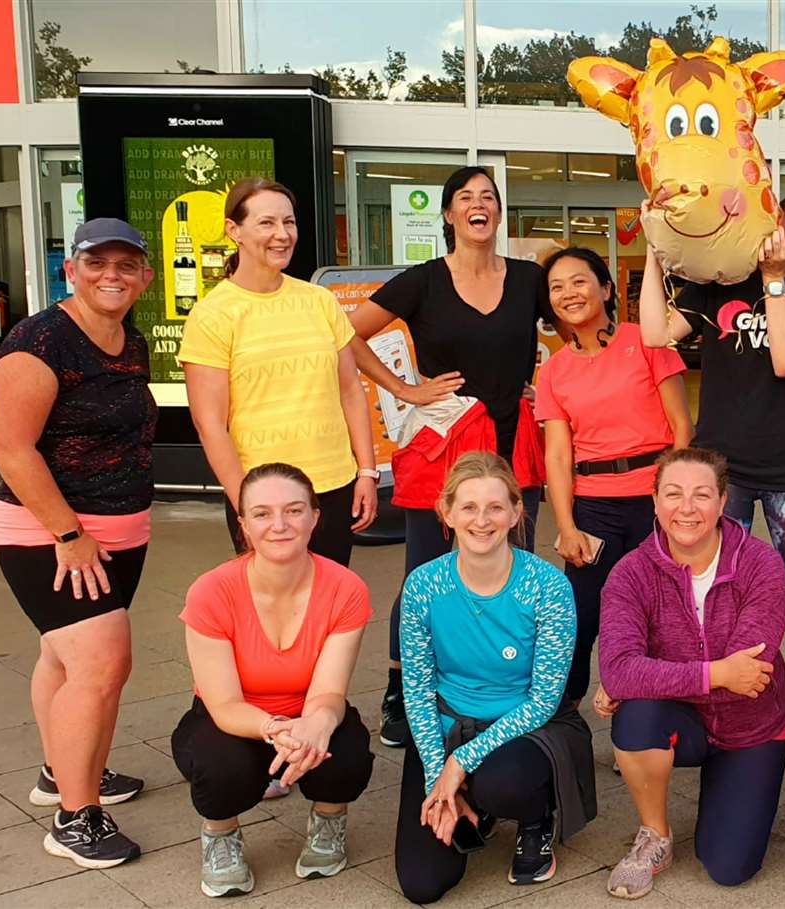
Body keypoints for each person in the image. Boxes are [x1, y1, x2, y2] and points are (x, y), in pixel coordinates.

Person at [640, 184, 785, 796]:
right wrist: (657, 253)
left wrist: (776, 281)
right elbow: (655, 332)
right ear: (779, 212)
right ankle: (712, 718)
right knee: (707, 597)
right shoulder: (722, 279)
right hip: (720, 473)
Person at [344, 166, 552, 749]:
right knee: (426, 573)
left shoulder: (531, 279)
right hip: (442, 442)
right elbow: (348, 335)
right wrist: (406, 389)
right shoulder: (425, 281)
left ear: (499, 213)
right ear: (448, 214)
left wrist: (549, 385)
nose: (479, 205)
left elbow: (585, 327)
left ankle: (502, 683)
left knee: (512, 568)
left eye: (489, 196)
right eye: (466, 197)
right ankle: (400, 685)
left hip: (512, 444)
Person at [0, 218, 155, 869]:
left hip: (115, 529)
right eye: (97, 263)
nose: (111, 274)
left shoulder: (124, 337)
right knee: (101, 662)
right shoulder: (40, 340)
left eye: (125, 264)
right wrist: (69, 532)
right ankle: (74, 819)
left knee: (62, 658)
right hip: (53, 533)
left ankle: (64, 769)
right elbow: (9, 446)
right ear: (71, 270)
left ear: (143, 275)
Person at [394, 452, 595, 903]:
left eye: (495, 507)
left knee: (504, 782)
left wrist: (461, 763)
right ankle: (471, 803)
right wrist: (437, 778)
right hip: (447, 726)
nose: (481, 520)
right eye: (468, 507)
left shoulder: (549, 588)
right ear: (446, 512)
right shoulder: (423, 585)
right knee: (423, 884)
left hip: (528, 726)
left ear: (516, 512)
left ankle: (534, 815)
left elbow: (544, 700)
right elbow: (418, 691)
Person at [594, 448, 785, 897]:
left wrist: (645, 675)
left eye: (702, 495)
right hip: (681, 721)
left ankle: (728, 792)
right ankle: (655, 835)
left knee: (728, 867)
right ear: (655, 500)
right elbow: (620, 670)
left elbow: (750, 673)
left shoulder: (761, 564)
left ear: (723, 502)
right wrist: (713, 674)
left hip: (752, 727)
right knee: (636, 715)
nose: (687, 508)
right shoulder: (630, 574)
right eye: (674, 494)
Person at [173, 463, 374, 897]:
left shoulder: (346, 588)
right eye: (262, 514)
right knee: (219, 765)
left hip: (307, 706)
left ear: (315, 517)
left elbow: (330, 691)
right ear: (243, 525)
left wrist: (316, 725)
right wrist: (275, 729)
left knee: (346, 753)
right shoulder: (211, 592)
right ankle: (220, 835)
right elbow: (222, 704)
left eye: (294, 510)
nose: (279, 525)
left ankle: (328, 820)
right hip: (236, 716)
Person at [181, 177, 378, 564]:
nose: (282, 234)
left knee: (329, 609)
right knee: (273, 615)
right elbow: (210, 425)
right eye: (267, 223)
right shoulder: (213, 315)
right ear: (233, 231)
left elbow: (350, 392)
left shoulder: (319, 301)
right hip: (264, 497)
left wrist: (367, 472)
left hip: (334, 487)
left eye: (289, 223)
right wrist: (246, 507)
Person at [538, 246, 692, 712]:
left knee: (658, 614)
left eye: (579, 281)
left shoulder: (646, 339)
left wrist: (675, 501)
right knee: (581, 617)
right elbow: (559, 454)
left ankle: (648, 718)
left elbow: (682, 426)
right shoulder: (553, 371)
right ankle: (562, 716)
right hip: (594, 507)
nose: (569, 293)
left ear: (605, 289)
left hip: (654, 502)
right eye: (557, 287)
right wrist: (565, 526)